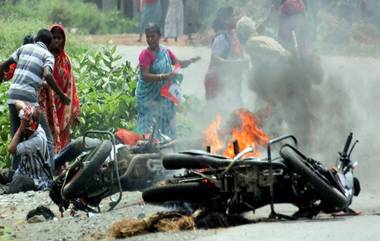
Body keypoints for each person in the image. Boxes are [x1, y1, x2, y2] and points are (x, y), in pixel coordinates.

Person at [0, 28, 70, 171]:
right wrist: (62, 96)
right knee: (48, 139)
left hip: (12, 96)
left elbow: (4, 65)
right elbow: (48, 75)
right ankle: (49, 176)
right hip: (28, 100)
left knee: (16, 137)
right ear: (49, 44)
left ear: (36, 39)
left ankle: (15, 176)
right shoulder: (47, 55)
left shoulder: (24, 48)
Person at [136, 23, 200, 139]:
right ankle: (147, 147)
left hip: (163, 95)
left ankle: (167, 147)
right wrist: (164, 76)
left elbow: (178, 63)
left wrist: (191, 61)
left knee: (166, 122)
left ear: (159, 36)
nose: (150, 39)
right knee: (148, 127)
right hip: (148, 97)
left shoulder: (166, 52)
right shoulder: (145, 55)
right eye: (148, 37)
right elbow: (145, 75)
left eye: (153, 36)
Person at [39, 24, 80, 165]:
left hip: (62, 106)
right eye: (54, 38)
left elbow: (71, 85)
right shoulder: (44, 57)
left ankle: (61, 166)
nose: (57, 41)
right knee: (46, 135)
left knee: (62, 136)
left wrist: (74, 108)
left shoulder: (66, 60)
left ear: (64, 40)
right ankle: (47, 165)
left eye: (60, 38)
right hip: (46, 104)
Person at [204, 7, 247, 108]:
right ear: (225, 20)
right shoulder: (221, 37)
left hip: (232, 84)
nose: (236, 18)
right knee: (221, 114)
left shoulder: (233, 34)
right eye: (233, 16)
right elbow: (216, 60)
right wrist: (237, 64)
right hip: (219, 83)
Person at [6, 102, 52, 193]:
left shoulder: (37, 140)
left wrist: (20, 128)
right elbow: (17, 103)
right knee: (4, 173)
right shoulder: (28, 119)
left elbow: (11, 149)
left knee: (19, 181)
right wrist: (25, 109)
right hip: (23, 171)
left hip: (37, 179)